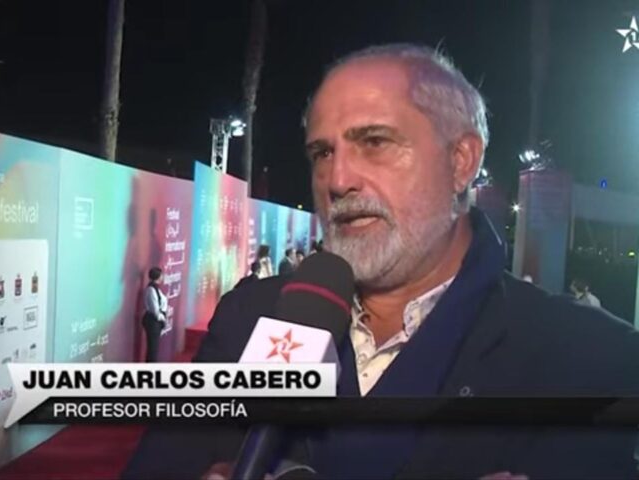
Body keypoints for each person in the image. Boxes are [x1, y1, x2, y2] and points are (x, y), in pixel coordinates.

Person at [124, 44, 639, 479]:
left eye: (374, 142)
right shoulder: (249, 317)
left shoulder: (589, 358)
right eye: (322, 153)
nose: (338, 180)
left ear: (461, 160)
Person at [141, 267, 167, 363]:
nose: (163, 277)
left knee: (153, 348)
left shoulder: (156, 289)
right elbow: (155, 310)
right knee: (152, 349)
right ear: (158, 276)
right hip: (152, 321)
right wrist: (163, 319)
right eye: (161, 275)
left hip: (156, 321)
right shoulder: (151, 290)